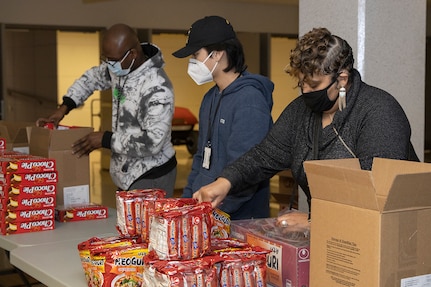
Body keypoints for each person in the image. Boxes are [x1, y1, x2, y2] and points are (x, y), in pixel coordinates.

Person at [193, 27, 419, 226]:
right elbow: (264, 156)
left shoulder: (379, 112)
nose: (306, 92)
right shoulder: (300, 111)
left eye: (313, 85)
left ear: (342, 79)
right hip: (332, 234)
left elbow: (379, 193)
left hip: (393, 236)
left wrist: (313, 221)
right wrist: (225, 182)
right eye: (301, 84)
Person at [36, 23, 177, 196]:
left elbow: (152, 142)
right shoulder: (121, 69)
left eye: (114, 60)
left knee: (144, 223)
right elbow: (90, 79)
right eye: (106, 59)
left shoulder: (157, 87)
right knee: (126, 223)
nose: (110, 65)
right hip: (126, 174)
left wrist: (105, 139)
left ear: (132, 53)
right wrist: (64, 108)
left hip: (151, 173)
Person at [172, 16, 274, 220]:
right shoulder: (210, 98)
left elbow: (247, 170)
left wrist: (215, 215)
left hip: (237, 219)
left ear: (217, 54)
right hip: (206, 215)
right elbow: (200, 159)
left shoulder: (249, 100)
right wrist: (185, 205)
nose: (193, 63)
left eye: (196, 55)